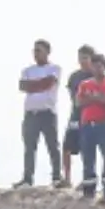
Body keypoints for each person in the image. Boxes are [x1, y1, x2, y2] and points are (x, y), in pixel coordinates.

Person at [17, 39, 63, 189]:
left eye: (39, 50)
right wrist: (39, 85)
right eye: (34, 50)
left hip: (47, 112)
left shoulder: (54, 68)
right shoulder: (27, 70)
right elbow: (23, 86)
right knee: (29, 147)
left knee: (52, 145)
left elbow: (48, 83)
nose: (35, 53)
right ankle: (27, 178)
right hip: (31, 113)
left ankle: (57, 176)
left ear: (47, 52)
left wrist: (34, 85)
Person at [73, 52, 105, 201]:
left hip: (104, 124)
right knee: (88, 158)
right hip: (87, 125)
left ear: (104, 67)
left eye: (100, 66)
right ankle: (89, 189)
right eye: (94, 66)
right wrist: (97, 97)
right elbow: (79, 103)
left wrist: (91, 98)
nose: (97, 69)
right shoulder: (85, 84)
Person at [60, 44, 94, 188]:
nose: (82, 61)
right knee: (67, 146)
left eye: (85, 58)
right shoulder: (75, 76)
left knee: (86, 147)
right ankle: (67, 178)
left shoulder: (94, 76)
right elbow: (72, 96)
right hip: (75, 115)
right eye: (80, 58)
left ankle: (87, 178)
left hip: (90, 116)